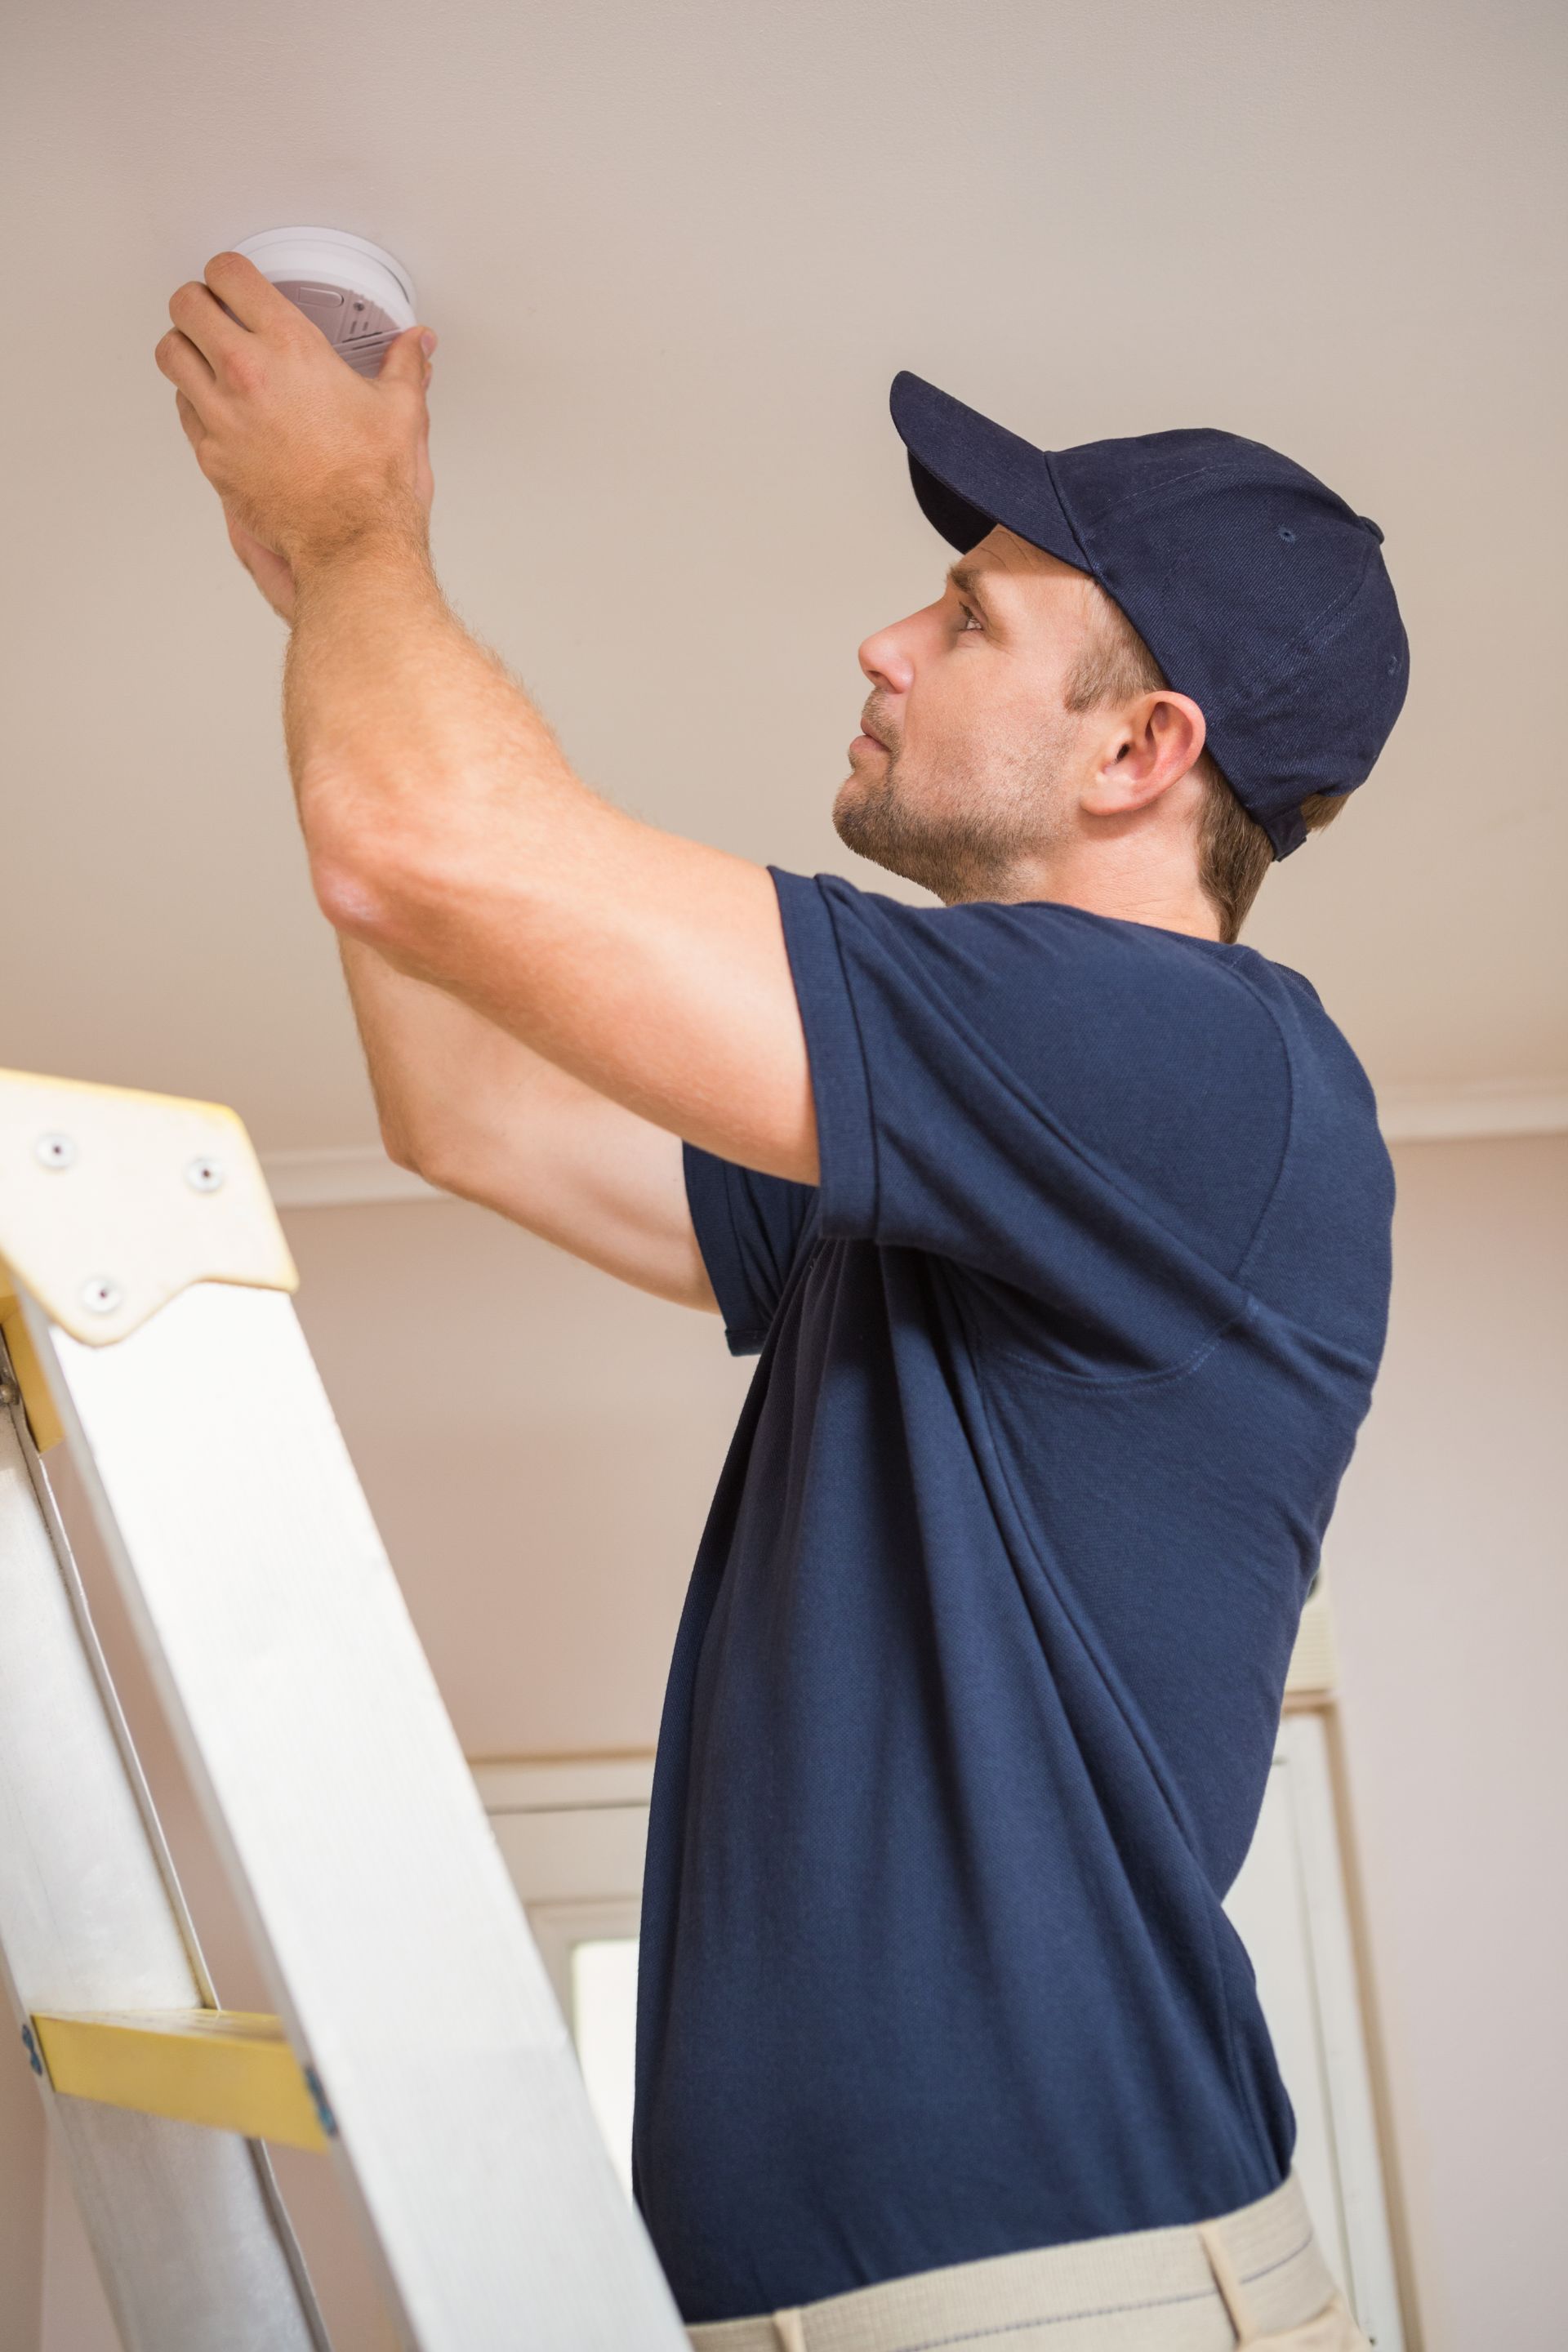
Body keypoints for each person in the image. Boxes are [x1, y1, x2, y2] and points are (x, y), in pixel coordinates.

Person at [157, 252, 1407, 2352]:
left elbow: (428, 853)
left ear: (1141, 748)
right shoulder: (979, 1150)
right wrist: (328, 602)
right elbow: (472, 1106)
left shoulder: (1190, 1067)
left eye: (969, 617)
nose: (885, 641)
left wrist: (368, 536)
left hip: (1053, 2296)